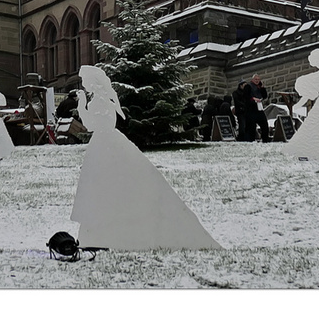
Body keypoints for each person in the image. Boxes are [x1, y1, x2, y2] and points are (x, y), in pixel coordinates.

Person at [70, 64, 221, 250]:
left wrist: (82, 105)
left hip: (104, 144)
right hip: (106, 143)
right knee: (105, 186)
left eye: (85, 81)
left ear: (93, 83)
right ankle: (100, 232)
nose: (83, 85)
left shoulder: (99, 101)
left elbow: (94, 124)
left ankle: (107, 231)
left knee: (106, 186)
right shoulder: (100, 100)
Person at [248, 75, 271, 143]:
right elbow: (246, 96)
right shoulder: (249, 86)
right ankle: (251, 140)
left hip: (259, 107)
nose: (257, 81)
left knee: (264, 125)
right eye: (256, 79)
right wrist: (253, 99)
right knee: (252, 126)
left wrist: (263, 88)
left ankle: (265, 139)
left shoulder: (260, 87)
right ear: (252, 80)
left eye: (258, 79)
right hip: (252, 108)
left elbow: (264, 96)